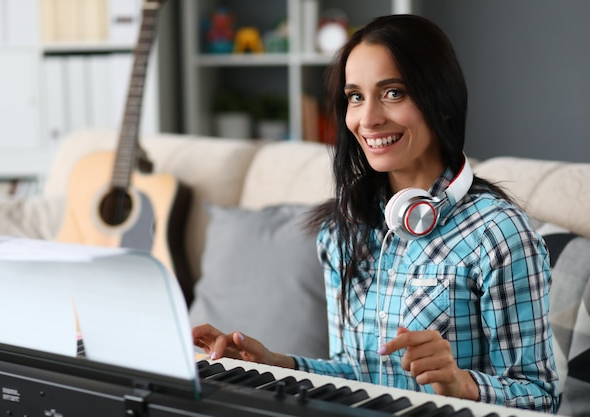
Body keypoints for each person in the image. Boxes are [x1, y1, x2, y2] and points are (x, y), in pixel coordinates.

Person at [193, 14, 559, 413]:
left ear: (442, 100)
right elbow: (355, 374)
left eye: (393, 93)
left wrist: (462, 384)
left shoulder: (499, 234)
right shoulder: (342, 229)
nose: (367, 119)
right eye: (355, 96)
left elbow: (540, 399)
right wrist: (278, 367)